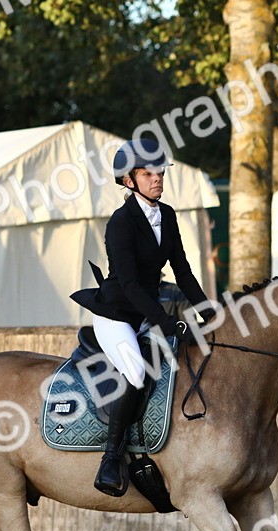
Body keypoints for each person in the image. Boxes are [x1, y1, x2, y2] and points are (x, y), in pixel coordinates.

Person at [70, 139, 212, 497]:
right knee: (135, 372)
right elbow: (131, 284)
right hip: (116, 315)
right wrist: (165, 321)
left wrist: (209, 310)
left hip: (147, 313)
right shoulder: (120, 223)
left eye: (159, 172)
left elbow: (182, 271)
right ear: (129, 181)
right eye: (147, 174)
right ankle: (111, 458)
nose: (157, 178)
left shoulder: (168, 215)